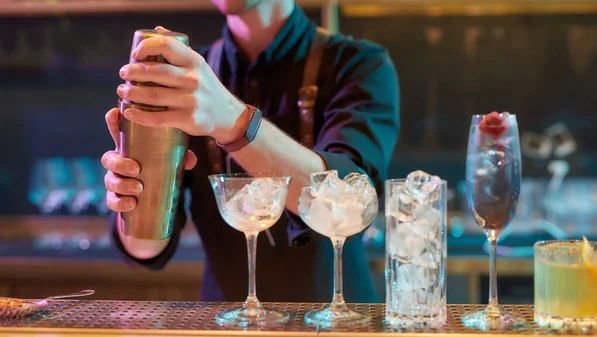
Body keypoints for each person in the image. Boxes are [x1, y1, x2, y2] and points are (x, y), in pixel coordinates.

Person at [101, 0, 400, 303]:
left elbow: (349, 203)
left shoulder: (360, 63)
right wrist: (132, 189)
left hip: (337, 326)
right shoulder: (188, 80)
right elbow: (145, 249)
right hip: (225, 326)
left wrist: (233, 121)